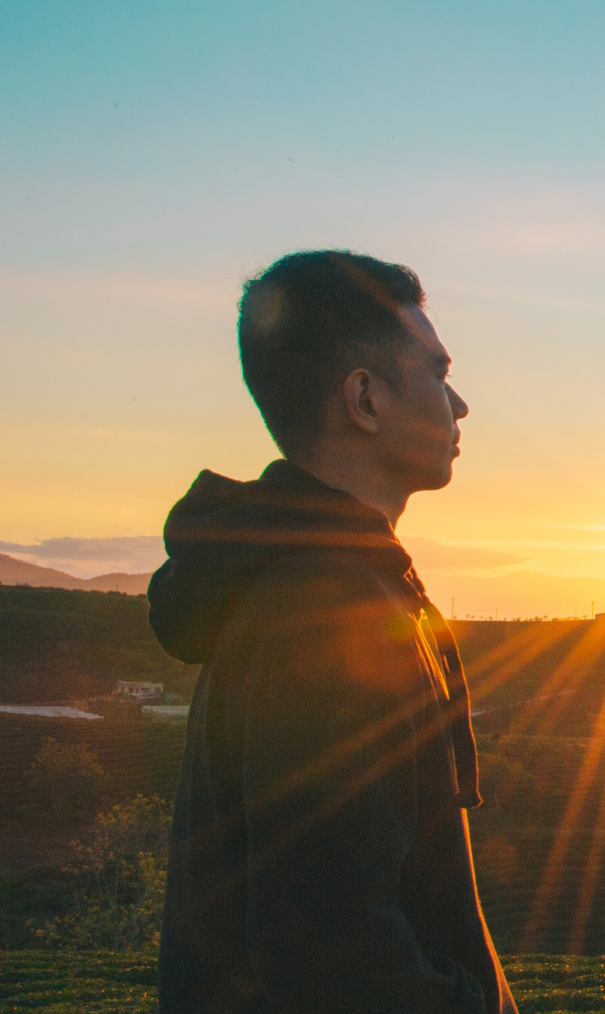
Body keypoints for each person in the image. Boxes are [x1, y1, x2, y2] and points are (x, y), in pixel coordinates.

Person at [149, 250, 515, 1014]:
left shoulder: (315, 583)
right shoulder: (327, 619)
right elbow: (335, 952)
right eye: (439, 373)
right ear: (365, 400)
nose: (461, 403)